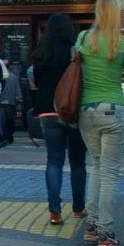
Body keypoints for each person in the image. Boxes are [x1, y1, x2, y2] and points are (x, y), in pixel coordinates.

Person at [75, 0, 124, 246]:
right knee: (110, 173)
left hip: (86, 111)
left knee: (96, 168)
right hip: (113, 111)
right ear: (118, 14)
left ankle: (91, 226)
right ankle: (106, 234)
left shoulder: (83, 39)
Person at [31, 12, 87, 226]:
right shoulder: (75, 53)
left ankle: (55, 211)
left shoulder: (41, 53)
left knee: (54, 160)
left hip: (47, 110)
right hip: (71, 110)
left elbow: (35, 80)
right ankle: (78, 207)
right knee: (77, 161)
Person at [0, 51, 20, 144]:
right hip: (11, 102)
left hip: (0, 101)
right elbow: (17, 91)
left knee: (2, 121)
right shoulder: (14, 77)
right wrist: (19, 100)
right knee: (10, 121)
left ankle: (3, 137)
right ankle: (10, 137)